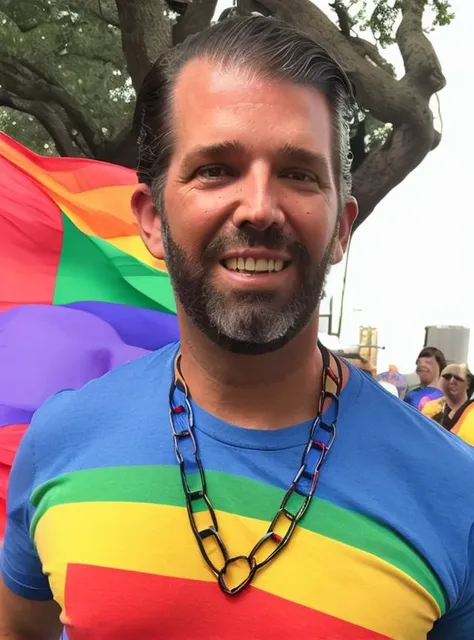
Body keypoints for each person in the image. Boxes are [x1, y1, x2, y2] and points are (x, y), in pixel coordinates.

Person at [1, 16, 473, 640]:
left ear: (341, 227)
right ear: (150, 218)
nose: (258, 208)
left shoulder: (454, 493)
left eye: (300, 173)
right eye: (216, 169)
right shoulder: (60, 440)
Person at [422, 363, 474, 446]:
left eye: (458, 378)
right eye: (447, 377)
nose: (452, 381)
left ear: (467, 384)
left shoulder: (471, 411)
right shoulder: (432, 407)